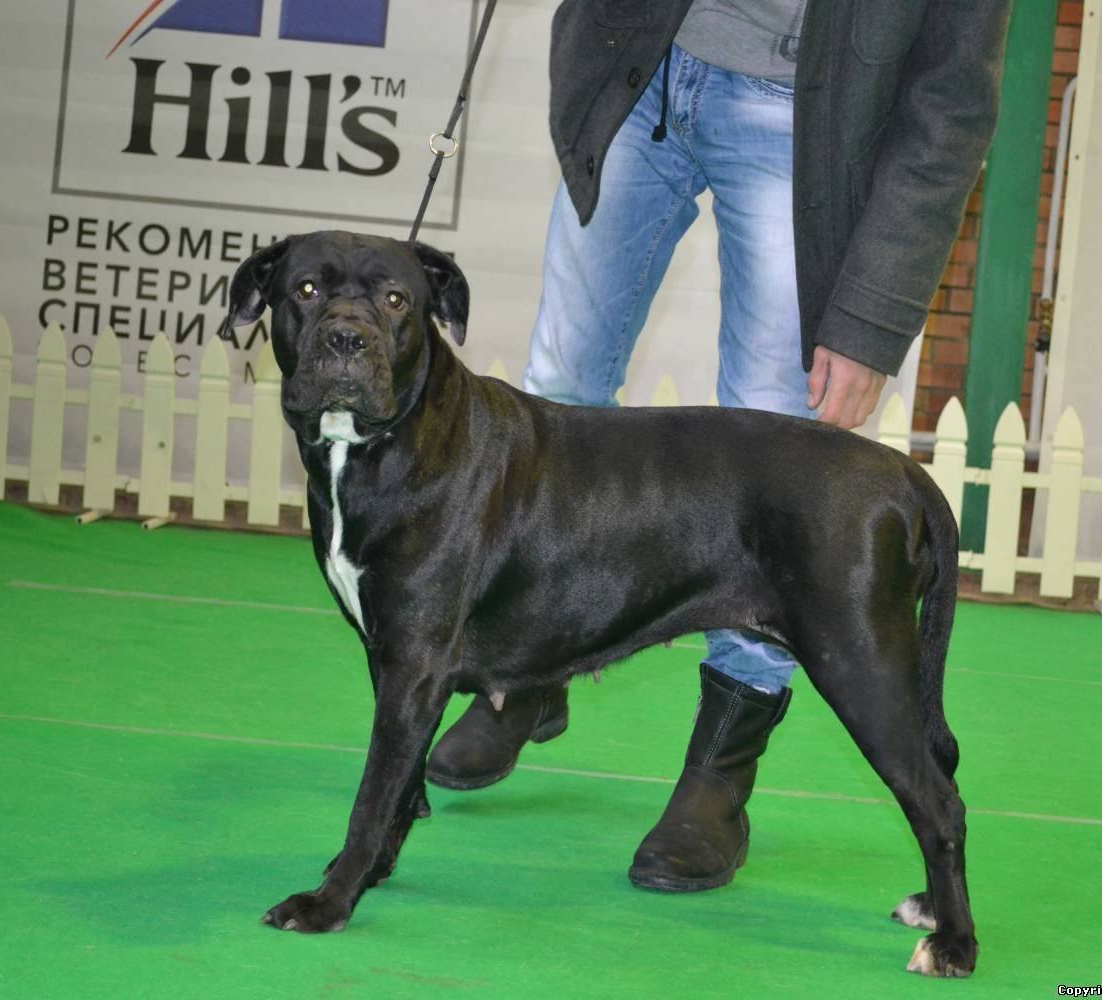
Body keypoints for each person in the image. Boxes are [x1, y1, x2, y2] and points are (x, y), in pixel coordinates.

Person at [427, 0, 1011, 893]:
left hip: (797, 116)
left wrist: (871, 317)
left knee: (778, 463)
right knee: (559, 387)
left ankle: (719, 779)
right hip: (644, 71)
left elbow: (952, 99)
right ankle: (527, 676)